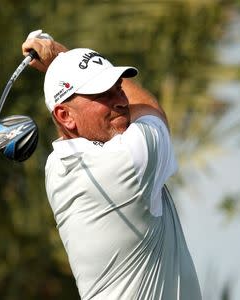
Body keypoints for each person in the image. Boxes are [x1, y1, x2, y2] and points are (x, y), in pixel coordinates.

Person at [22, 30, 202, 300]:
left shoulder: (57, 167)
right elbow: (152, 112)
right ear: (64, 115)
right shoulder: (126, 163)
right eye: (102, 94)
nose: (120, 100)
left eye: (118, 87)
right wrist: (60, 55)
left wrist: (64, 63)